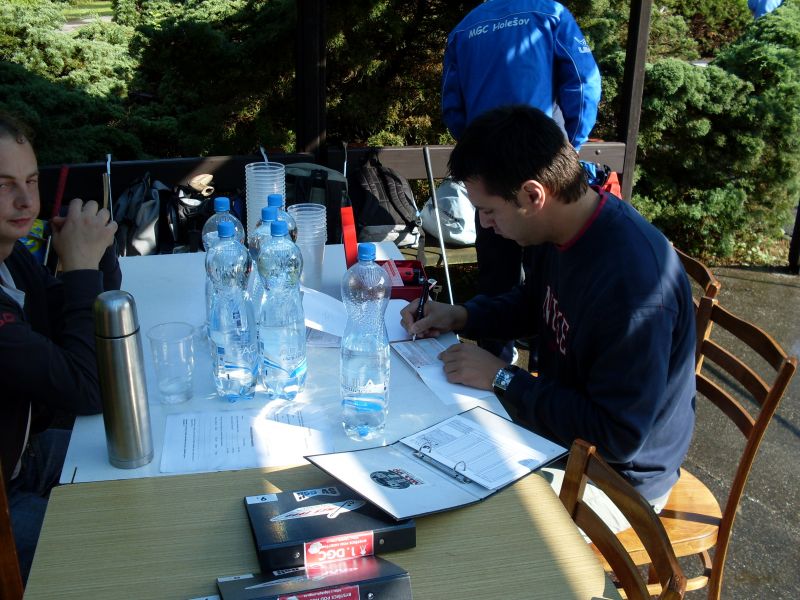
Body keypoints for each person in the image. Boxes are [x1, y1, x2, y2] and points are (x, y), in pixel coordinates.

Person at [401, 105, 696, 529]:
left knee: (458, 525)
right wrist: (461, 316)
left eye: (489, 211)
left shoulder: (633, 288)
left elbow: (617, 436)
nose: (485, 224)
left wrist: (504, 378)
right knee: (423, 453)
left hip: (618, 481)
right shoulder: (557, 229)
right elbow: (534, 303)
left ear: (533, 195)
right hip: (561, 435)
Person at [442, 0, 602, 364]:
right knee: (549, 285)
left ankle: (495, 364)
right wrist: (566, 149)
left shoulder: (465, 27)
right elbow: (583, 84)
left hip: (493, 181)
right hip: (540, 171)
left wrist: (480, 161)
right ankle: (539, 368)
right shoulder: (549, 13)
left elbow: (453, 108)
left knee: (497, 278)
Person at [0, 113, 120, 583]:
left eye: (31, 180)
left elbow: (77, 318)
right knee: (115, 545)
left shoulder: (12, 258)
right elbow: (88, 389)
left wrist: (94, 252)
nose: (26, 200)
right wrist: (82, 267)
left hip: (25, 457)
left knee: (142, 457)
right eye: (4, 185)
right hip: (7, 504)